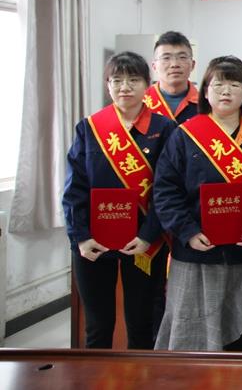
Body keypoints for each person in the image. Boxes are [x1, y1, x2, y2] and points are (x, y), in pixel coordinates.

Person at [153, 56, 242, 351]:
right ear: (205, 92)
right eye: (218, 84)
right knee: (194, 337)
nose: (226, 91)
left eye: (234, 85)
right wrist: (187, 231)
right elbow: (165, 190)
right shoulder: (184, 135)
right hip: (197, 252)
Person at [63, 52, 176, 349]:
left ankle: (142, 374)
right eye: (117, 80)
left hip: (145, 243)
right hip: (93, 245)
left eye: (133, 80)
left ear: (147, 85)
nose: (125, 87)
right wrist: (81, 237)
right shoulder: (89, 128)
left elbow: (166, 190)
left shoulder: (164, 129)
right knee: (97, 326)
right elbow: (74, 189)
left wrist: (148, 235)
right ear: (108, 85)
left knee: (142, 324)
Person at [143, 31, 199, 123]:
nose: (174, 64)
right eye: (166, 58)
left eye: (182, 57)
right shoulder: (140, 103)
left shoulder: (206, 104)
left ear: (192, 65)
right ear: (154, 66)